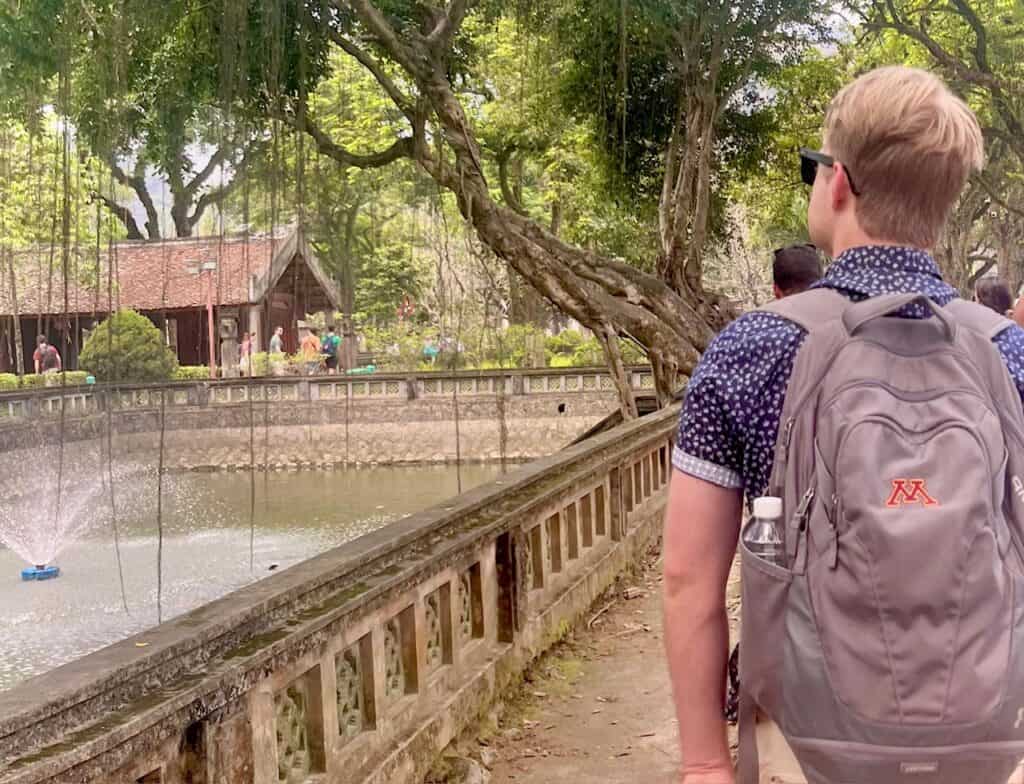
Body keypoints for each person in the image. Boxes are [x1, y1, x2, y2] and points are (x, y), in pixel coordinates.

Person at [664, 66, 1024, 784]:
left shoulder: (752, 350)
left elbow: (687, 581)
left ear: (837, 182)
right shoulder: (1007, 351)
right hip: (986, 738)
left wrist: (707, 764)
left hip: (805, 744)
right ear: (946, 198)